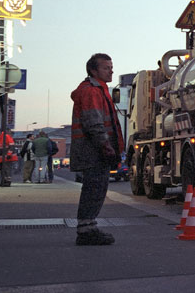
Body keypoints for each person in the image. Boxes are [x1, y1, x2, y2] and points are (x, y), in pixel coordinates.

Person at [71, 53, 123, 246]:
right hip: (93, 150)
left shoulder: (99, 90)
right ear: (93, 70)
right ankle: (86, 230)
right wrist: (106, 145)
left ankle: (88, 227)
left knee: (96, 188)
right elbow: (94, 122)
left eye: (111, 67)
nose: (111, 71)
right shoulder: (92, 91)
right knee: (94, 189)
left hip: (93, 149)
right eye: (106, 68)